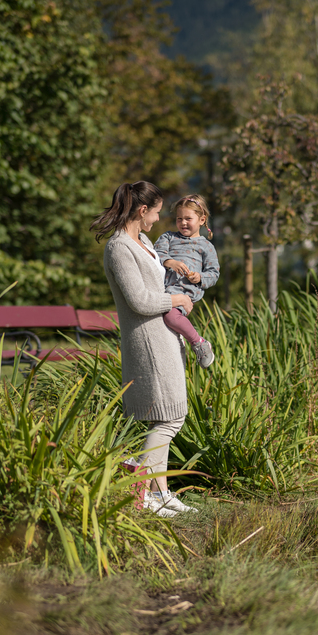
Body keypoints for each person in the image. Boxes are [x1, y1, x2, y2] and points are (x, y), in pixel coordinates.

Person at [91, 180, 197, 517]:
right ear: (141, 210)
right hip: (148, 341)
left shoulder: (145, 241)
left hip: (165, 337)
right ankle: (142, 490)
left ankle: (160, 492)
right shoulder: (119, 247)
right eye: (155, 212)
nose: (157, 219)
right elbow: (138, 300)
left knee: (169, 415)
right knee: (168, 419)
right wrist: (175, 299)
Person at [154, 194, 220, 369]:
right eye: (179, 218)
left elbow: (213, 273)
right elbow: (156, 254)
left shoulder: (206, 246)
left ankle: (198, 342)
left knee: (170, 316)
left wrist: (199, 278)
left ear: (201, 219)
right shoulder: (168, 237)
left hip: (185, 293)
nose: (183, 223)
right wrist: (170, 262)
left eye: (188, 218)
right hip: (163, 289)